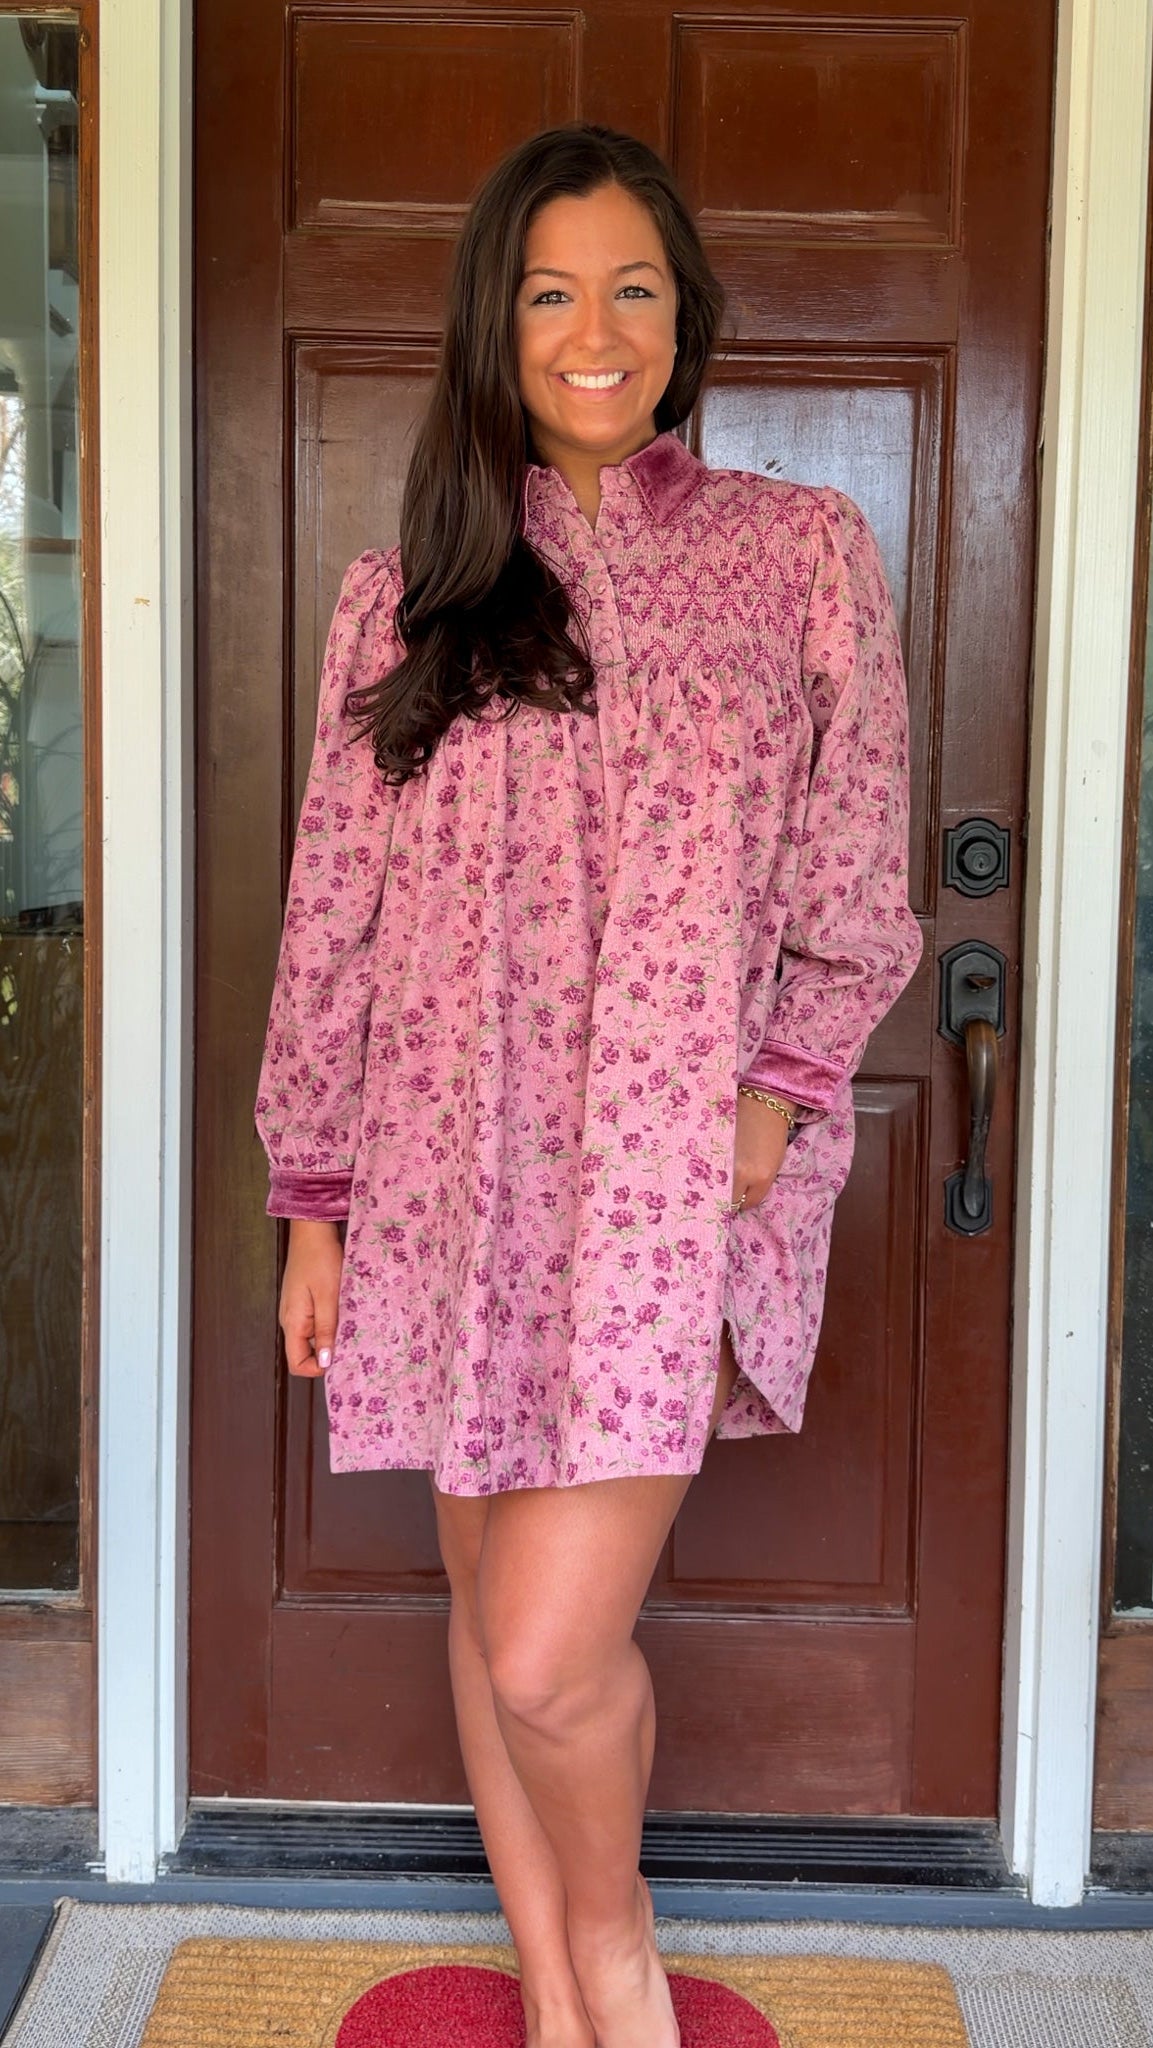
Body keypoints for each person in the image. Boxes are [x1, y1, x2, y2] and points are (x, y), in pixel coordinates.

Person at [255, 122, 922, 2048]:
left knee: (552, 1651)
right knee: (484, 1602)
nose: (596, 328)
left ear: (686, 316)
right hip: (441, 1172)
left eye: (634, 285)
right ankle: (553, 1994)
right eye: (552, 290)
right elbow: (334, 919)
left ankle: (615, 1956)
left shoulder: (804, 556)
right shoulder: (410, 599)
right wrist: (311, 1200)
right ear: (498, 328)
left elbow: (853, 884)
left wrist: (775, 1107)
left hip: (660, 1181)